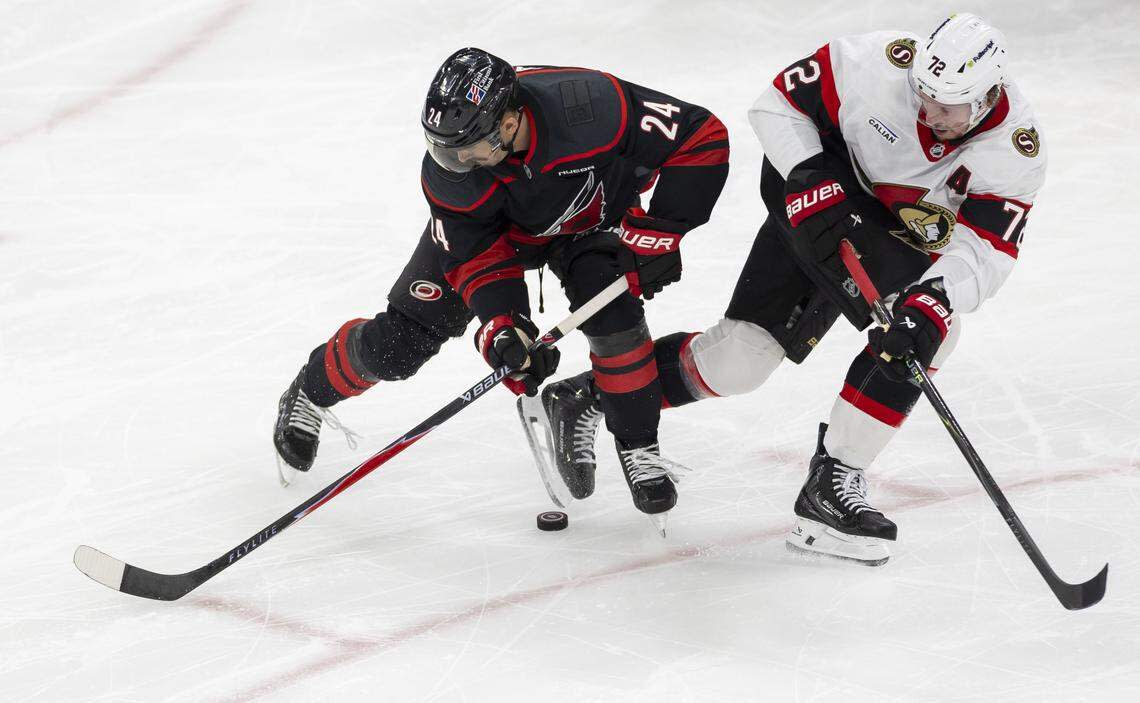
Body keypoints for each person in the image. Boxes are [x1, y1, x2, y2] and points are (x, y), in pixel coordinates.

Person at [522, 13, 1045, 562]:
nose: (927, 111)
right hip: (815, 202)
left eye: (947, 105)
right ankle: (604, 396)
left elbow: (987, 247)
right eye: (923, 93)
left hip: (896, 243)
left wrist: (935, 298)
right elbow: (776, 104)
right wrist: (809, 173)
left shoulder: (1015, 151)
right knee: (747, 358)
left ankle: (596, 397)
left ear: (987, 99)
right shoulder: (876, 62)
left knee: (922, 329)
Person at [273, 48, 730, 530]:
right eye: (445, 149)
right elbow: (475, 254)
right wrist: (503, 327)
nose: (457, 162)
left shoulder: (590, 106)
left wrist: (657, 234)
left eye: (469, 148)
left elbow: (701, 137)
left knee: (616, 322)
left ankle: (638, 443)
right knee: (399, 346)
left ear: (510, 122)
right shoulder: (451, 172)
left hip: (587, 224)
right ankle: (309, 391)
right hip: (496, 237)